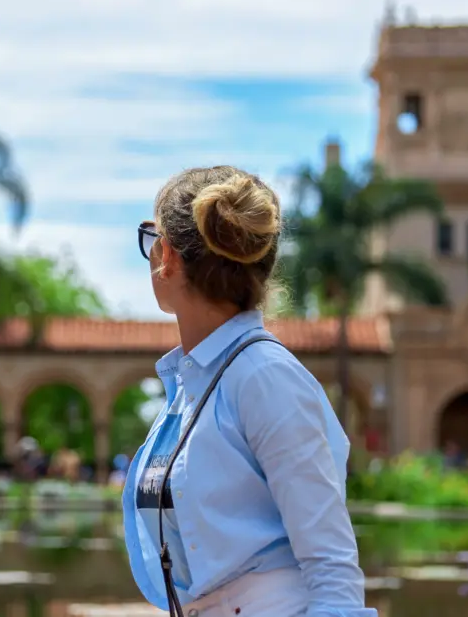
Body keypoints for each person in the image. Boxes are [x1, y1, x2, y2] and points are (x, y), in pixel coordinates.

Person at [123, 167, 375, 616]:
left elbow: (333, 569)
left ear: (168, 257)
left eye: (152, 239)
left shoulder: (263, 377)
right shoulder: (196, 383)